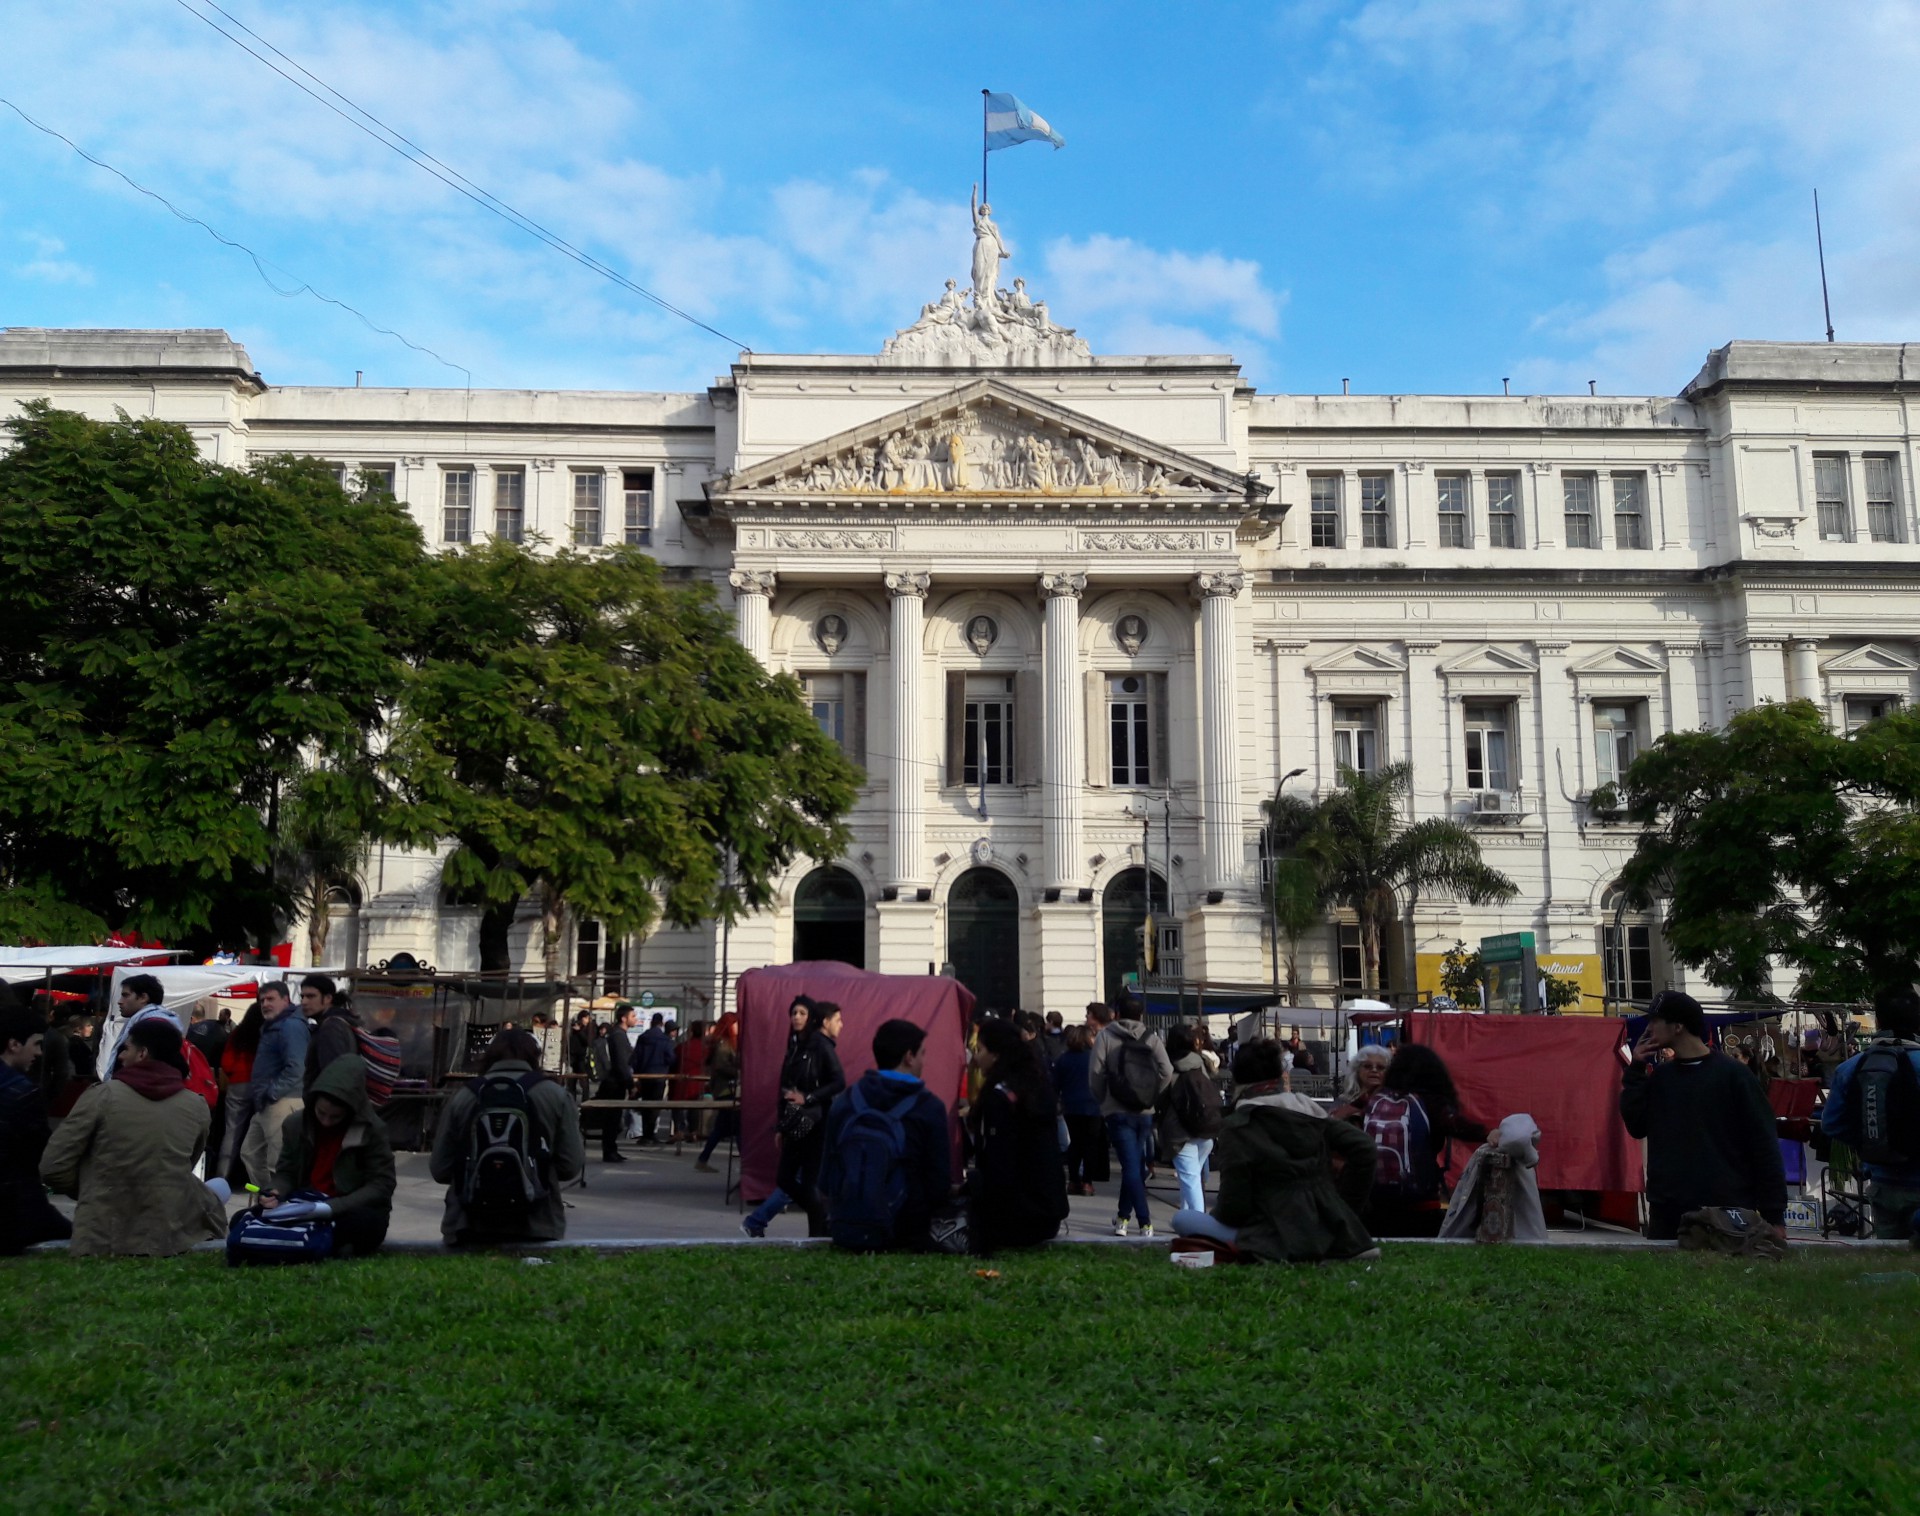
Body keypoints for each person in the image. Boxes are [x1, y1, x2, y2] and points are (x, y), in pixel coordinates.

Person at [1172, 1038, 1380, 1264]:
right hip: (1330, 1225)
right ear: (1280, 1074)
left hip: (1274, 1235)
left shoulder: (1240, 1125)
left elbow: (1234, 1207)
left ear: (1237, 1078)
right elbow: (1365, 1148)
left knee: (1183, 1218)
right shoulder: (1311, 1112)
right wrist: (1345, 1209)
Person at [39, 1018, 227, 1257]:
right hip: (167, 1238)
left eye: (125, 1048)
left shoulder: (102, 1096)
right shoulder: (196, 1106)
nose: (120, 1056)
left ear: (142, 1053)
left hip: (101, 1236)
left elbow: (53, 1166)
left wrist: (95, 1188)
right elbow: (181, 1166)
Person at [1621, 989, 1787, 1241]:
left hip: (1725, 1210)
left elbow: (1763, 1144)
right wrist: (1635, 1070)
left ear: (1677, 1026)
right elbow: (1636, 1126)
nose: (1649, 1027)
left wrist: (1774, 1216)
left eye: (1655, 1020)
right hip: (1668, 1210)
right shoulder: (1661, 1078)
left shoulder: (1735, 1076)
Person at [431, 1029, 584, 1245]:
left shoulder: (464, 1095)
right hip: (537, 1223)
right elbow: (570, 1166)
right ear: (534, 1056)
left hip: (468, 1224)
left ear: (490, 1056)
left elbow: (440, 1169)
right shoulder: (555, 1095)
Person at [819, 1018, 952, 1252]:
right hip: (906, 1233)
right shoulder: (930, 1107)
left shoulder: (846, 1101)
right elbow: (939, 1185)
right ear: (909, 1057)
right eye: (922, 1053)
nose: (924, 1060)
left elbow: (825, 1178)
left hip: (847, 1229)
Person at [262, 1054, 396, 1255]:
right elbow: (286, 1173)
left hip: (346, 1208)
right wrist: (275, 1191)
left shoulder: (371, 1129)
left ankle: (308, 1241)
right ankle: (316, 1241)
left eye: (335, 1117)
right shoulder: (295, 1124)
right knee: (245, 1217)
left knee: (367, 1224)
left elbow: (382, 1185)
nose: (326, 1121)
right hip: (303, 1203)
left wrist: (332, 1207)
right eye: (321, 1113)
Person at [1820, 985, 1920, 1242]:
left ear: (1878, 1020)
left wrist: (1870, 1139)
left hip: (1883, 1184)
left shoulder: (1852, 1068)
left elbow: (1831, 1125)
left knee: (1890, 1262)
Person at [742, 999, 846, 1238]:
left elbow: (838, 1081)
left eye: (802, 1013)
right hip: (796, 1121)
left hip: (815, 1121)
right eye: (793, 1013)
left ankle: (816, 1233)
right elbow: (785, 1087)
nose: (796, 1017)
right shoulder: (796, 1044)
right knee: (787, 1178)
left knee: (807, 1181)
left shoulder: (820, 1045)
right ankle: (819, 1220)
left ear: (812, 1018)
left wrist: (808, 1098)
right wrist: (781, 1124)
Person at [1362, 1044, 1489, 1238]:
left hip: (1374, 1204)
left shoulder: (1376, 1100)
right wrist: (1490, 1133)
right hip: (1420, 1206)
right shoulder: (1431, 1102)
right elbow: (1456, 1125)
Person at [968, 1017, 1068, 1253]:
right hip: (1048, 1212)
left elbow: (998, 1165)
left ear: (996, 1054)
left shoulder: (999, 1097)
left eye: (980, 1050)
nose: (976, 1057)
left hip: (1016, 1216)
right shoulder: (1037, 1087)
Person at [1089, 994, 1174, 1237]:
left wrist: (1103, 1100)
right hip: (1144, 1111)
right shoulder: (1151, 1038)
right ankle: (1123, 1217)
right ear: (1141, 1015)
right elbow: (1166, 1070)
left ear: (1116, 1014)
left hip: (1117, 1110)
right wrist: (1152, 1094)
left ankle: (1144, 1221)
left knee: (1131, 1167)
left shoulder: (1106, 1036)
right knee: (1133, 1165)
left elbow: (1095, 1073)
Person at [2, 1006, 72, 1254]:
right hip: (14, 1210)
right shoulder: (24, 1094)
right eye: (36, 1044)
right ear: (14, 1045)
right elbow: (41, 1155)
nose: (40, 1053)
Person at [241, 981, 312, 1188]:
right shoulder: (275, 1026)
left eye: (270, 999)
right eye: (262, 1000)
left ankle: (279, 1208)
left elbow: (297, 1068)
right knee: (250, 1153)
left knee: (278, 1162)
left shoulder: (290, 1025)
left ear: (285, 999)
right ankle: (268, 1200)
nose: (265, 1004)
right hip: (269, 1102)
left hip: (283, 1101)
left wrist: (272, 1093)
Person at [1159, 1026, 1224, 1213]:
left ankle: (1197, 1225)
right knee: (1190, 1177)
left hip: (1179, 1132)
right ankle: (1186, 1218)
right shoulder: (1201, 1062)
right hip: (1205, 1128)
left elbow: (1160, 1095)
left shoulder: (1167, 1065)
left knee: (1190, 1179)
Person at [1053, 1024, 1106, 1194]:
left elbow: (1055, 1084)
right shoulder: (1095, 1057)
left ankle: (1073, 1179)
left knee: (1075, 1143)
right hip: (1093, 1105)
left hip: (1071, 1106)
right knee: (1090, 1144)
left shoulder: (1063, 1059)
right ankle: (1087, 1181)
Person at [217, 1000, 263, 1182]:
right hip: (262, 1085)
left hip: (238, 1084)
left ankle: (222, 1175)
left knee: (232, 1132)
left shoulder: (238, 1033)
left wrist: (234, 1073)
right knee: (261, 1133)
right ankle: (255, 1178)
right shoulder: (268, 1033)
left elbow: (226, 1061)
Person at [589, 1006, 637, 1162]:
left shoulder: (617, 1034)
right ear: (624, 1018)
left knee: (613, 1118)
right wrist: (631, 1085)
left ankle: (611, 1149)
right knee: (612, 1119)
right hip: (614, 1083)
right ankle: (609, 1151)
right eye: (633, 1016)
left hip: (614, 1081)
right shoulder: (618, 1036)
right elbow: (621, 1063)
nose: (636, 1019)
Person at [695, 1021, 741, 1174]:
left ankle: (703, 1158)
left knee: (723, 1128)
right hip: (725, 1090)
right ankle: (746, 1163)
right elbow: (721, 1066)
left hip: (726, 1089)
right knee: (736, 1125)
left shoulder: (727, 1043)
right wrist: (739, 1071)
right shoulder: (724, 1044)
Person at [302, 976, 359, 1085]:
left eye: (311, 996)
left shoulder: (331, 1027)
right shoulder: (334, 1023)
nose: (304, 1002)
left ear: (328, 998)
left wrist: (323, 1101)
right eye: (302, 996)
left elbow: (334, 1079)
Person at [1330, 1043, 1392, 1122]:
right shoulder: (1343, 1102)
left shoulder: (1395, 1103)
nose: (1374, 1070)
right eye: (1367, 1066)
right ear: (1357, 1070)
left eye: (1380, 1067)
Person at [670, 1019, 709, 1141]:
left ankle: (679, 1129)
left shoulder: (682, 1047)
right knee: (694, 1108)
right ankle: (693, 1131)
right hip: (698, 1081)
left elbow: (673, 1062)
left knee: (678, 1108)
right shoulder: (706, 1048)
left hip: (681, 1080)